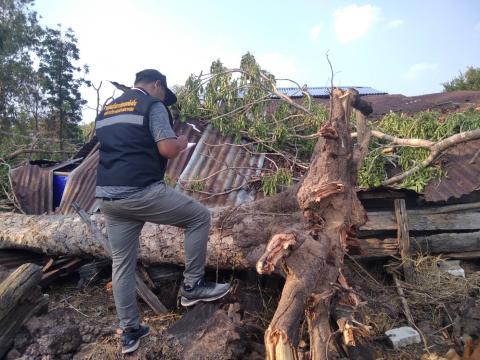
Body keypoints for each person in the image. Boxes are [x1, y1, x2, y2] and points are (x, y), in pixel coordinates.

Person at [95, 69, 231, 354]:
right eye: (163, 94)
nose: (164, 101)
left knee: (121, 262)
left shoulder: (109, 109)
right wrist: (181, 144)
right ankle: (193, 286)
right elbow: (168, 149)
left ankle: (130, 331)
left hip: (108, 196)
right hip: (140, 191)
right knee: (199, 217)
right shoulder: (152, 105)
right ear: (156, 85)